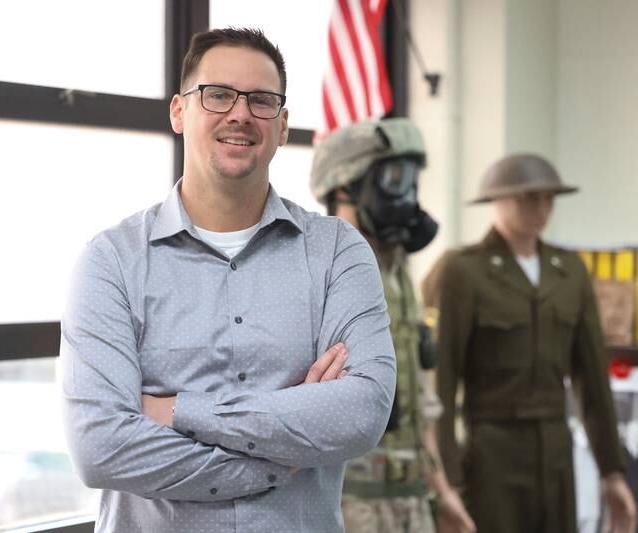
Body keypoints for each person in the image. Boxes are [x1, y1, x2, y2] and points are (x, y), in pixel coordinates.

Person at [59, 27, 397, 533]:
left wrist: (177, 411)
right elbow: (100, 447)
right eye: (217, 95)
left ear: (282, 127)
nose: (240, 114)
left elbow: (361, 414)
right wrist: (280, 456)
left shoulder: (338, 252)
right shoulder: (111, 262)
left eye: (261, 101)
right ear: (179, 111)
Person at [425, 153, 637, 533]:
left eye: (548, 198)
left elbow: (592, 380)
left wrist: (611, 471)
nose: (541, 208)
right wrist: (448, 480)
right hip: (492, 452)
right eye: (528, 197)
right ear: (497, 200)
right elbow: (443, 379)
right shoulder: (465, 270)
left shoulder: (568, 270)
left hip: (555, 450)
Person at [311, 117, 475, 533]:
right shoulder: (316, 271)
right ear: (344, 185)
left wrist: (440, 488)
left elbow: (421, 396)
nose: (404, 196)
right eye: (391, 180)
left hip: (410, 497)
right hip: (349, 501)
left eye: (409, 180)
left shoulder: (399, 271)